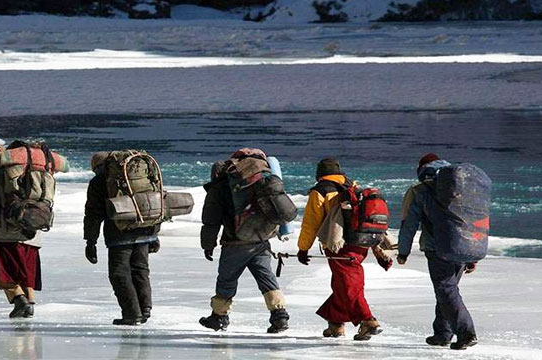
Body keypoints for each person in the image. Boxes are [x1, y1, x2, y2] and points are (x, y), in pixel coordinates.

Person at [198, 149, 293, 333]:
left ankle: (219, 316)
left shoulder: (220, 188)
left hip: (236, 243)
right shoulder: (258, 180)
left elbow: (211, 221)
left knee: (226, 280)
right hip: (261, 240)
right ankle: (279, 316)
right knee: (266, 278)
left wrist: (208, 245)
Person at [398, 153, 480, 350]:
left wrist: (403, 251)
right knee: (446, 290)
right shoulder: (461, 186)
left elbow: (409, 224)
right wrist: (473, 254)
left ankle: (466, 332)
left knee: (446, 289)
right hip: (464, 245)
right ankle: (443, 333)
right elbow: (473, 218)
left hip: (438, 248)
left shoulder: (419, 190)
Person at [296, 157, 384, 340]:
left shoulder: (320, 191)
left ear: (319, 174)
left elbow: (310, 223)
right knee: (341, 284)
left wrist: (303, 248)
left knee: (349, 286)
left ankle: (367, 320)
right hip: (362, 242)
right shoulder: (352, 187)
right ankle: (336, 323)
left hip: (339, 247)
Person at [0, 141, 63, 318]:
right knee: (27, 272)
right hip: (33, 234)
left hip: (4, 234)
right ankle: (29, 304)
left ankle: (20, 301)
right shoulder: (43, 173)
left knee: (2, 272)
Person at [84, 151, 160, 325]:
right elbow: (152, 202)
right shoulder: (140, 177)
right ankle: (145, 308)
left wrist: (91, 241)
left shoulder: (99, 181)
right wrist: (154, 234)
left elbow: (93, 214)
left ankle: (132, 314)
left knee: (119, 274)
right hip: (145, 230)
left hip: (119, 235)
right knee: (140, 270)